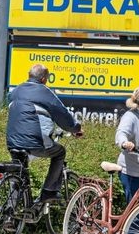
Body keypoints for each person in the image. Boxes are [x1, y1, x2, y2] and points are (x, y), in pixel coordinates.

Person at [5, 63, 83, 207]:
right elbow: (63, 115)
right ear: (43, 79)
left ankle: (11, 212)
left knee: (19, 171)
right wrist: (75, 128)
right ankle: (48, 191)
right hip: (35, 141)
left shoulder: (15, 91)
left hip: (12, 141)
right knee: (60, 152)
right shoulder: (45, 92)